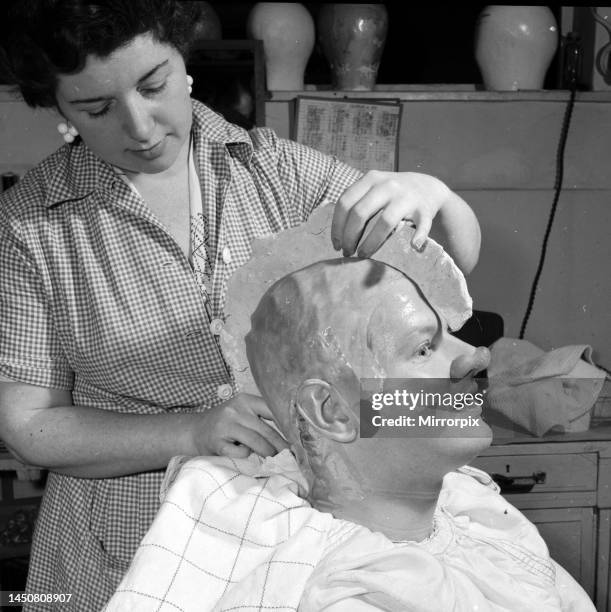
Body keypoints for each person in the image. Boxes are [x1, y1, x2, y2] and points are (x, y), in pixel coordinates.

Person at [0, 1, 481, 608]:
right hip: (122, 549)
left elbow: (446, 266)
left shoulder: (274, 172)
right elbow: (30, 426)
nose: (141, 127)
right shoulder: (30, 225)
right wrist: (190, 431)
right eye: (96, 108)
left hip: (297, 536)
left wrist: (433, 195)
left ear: (184, 60)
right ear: (58, 107)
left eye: (155, 85)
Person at [105, 257, 594, 610]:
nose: (477, 354)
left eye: (450, 336)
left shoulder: (485, 524)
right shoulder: (338, 593)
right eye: (424, 348)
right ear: (335, 412)